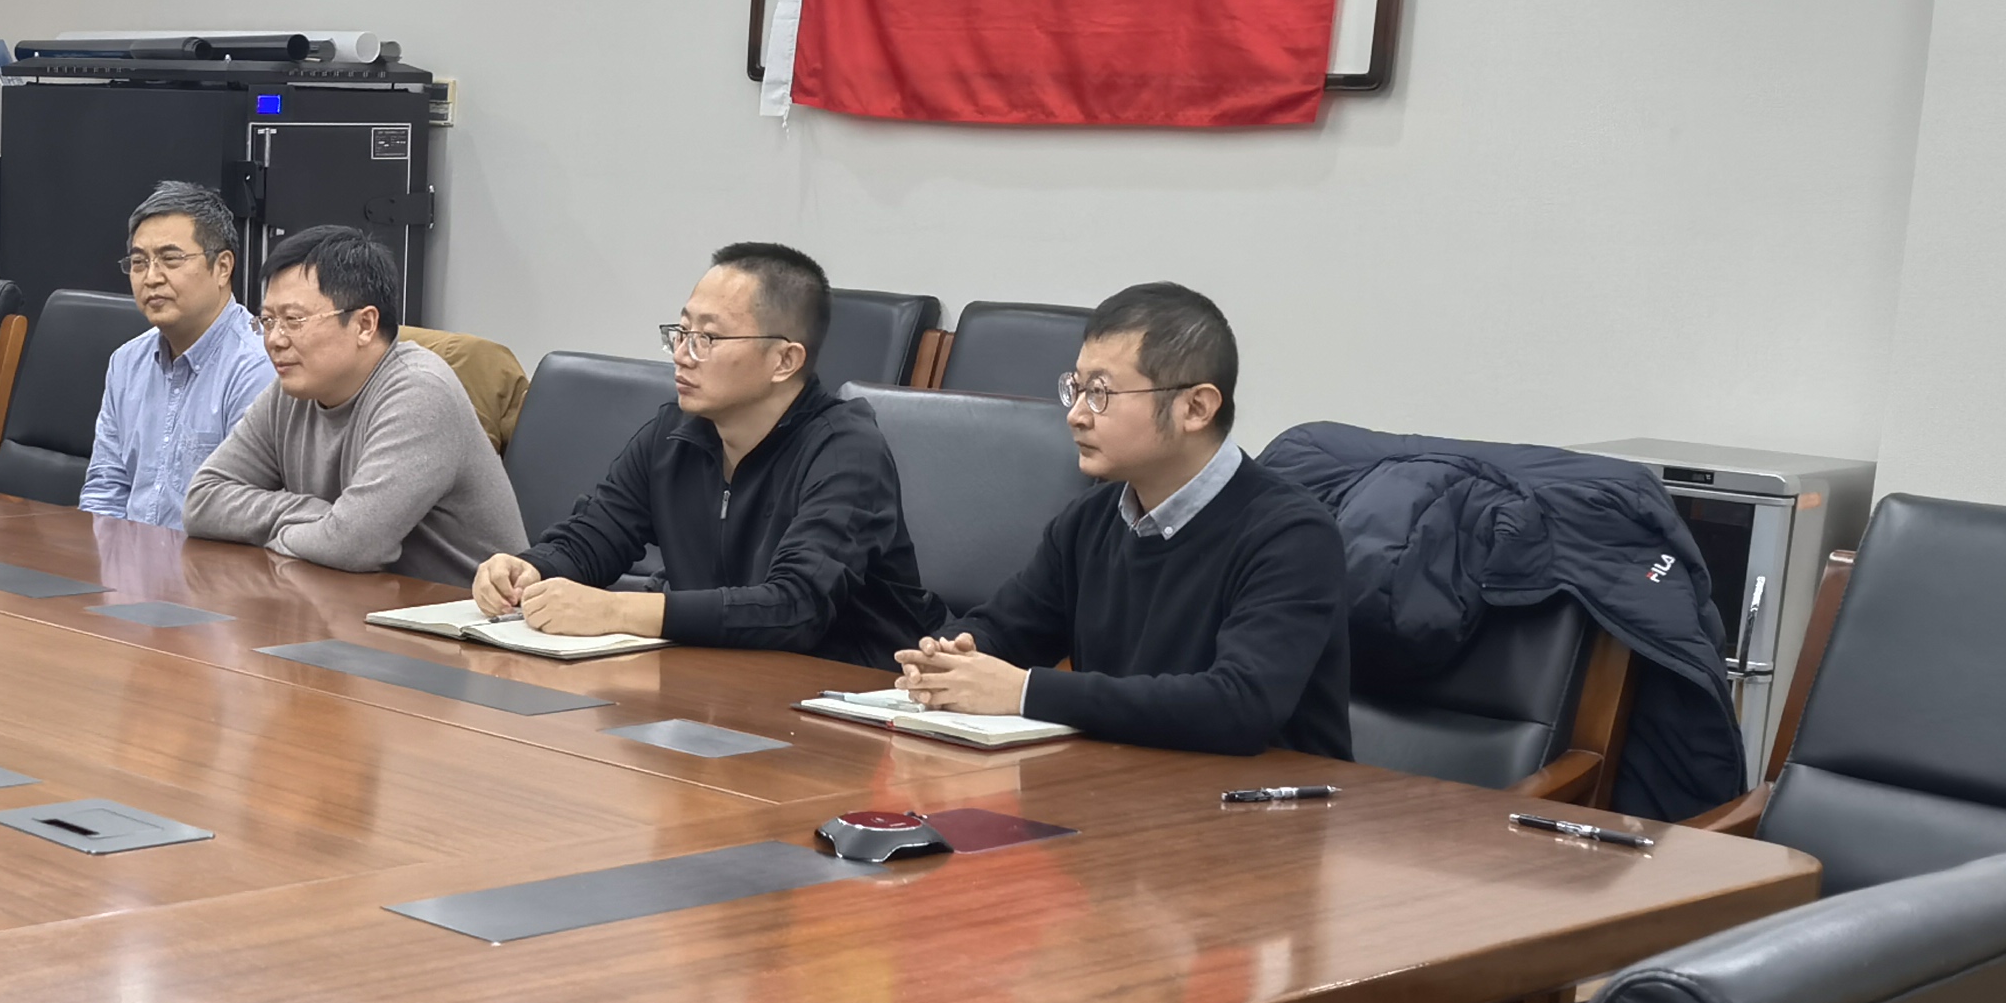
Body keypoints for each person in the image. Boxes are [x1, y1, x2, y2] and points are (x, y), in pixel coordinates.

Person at [896, 279, 1353, 756]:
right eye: (1076, 388)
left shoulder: (1291, 535)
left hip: (1269, 795)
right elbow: (1005, 629)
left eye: (1100, 392)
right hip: (1126, 780)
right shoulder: (1089, 520)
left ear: (1195, 407)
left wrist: (1025, 692)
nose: (1076, 415)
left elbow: (1240, 705)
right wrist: (947, 656)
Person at [469, 241, 937, 669]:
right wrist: (530, 568)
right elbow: (596, 535)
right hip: (712, 676)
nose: (681, 354)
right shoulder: (675, 432)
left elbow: (795, 607)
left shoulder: (846, 452)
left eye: (707, 339)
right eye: (682, 331)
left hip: (844, 695)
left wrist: (615, 610)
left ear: (785, 361)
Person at [183, 224, 523, 578]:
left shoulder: (419, 392)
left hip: (460, 607)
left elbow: (353, 547)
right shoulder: (292, 391)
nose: (275, 340)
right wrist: (314, 515)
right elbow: (203, 501)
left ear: (365, 324)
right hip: (351, 597)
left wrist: (289, 532)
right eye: (268, 321)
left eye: (294, 320)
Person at [78, 183, 273, 529]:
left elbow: (246, 515)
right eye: (139, 262)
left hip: (210, 560)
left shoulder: (259, 366)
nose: (151, 278)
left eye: (170, 259)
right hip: (125, 558)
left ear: (223, 267)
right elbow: (105, 490)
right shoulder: (126, 362)